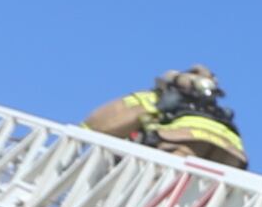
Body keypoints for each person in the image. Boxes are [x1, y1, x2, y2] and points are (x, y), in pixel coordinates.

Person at [83, 67, 246, 169]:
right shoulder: (217, 112)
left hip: (175, 149)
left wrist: (155, 109)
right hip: (231, 157)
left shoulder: (153, 98)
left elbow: (96, 126)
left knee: (158, 185)